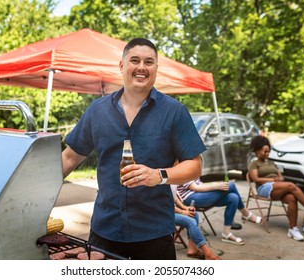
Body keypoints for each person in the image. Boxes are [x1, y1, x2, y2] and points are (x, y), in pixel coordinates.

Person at [61, 38, 206, 260]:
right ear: (122, 66)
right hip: (104, 229)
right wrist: (33, 193)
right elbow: (69, 158)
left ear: (156, 68)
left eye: (149, 62)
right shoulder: (97, 110)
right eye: (134, 60)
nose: (141, 67)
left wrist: (158, 175)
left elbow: (195, 166)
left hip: (154, 233)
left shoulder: (175, 112)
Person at [248, 135, 304, 241]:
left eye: (268, 151)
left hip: (276, 187)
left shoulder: (272, 163)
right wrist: (272, 180)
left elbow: (280, 176)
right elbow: (256, 179)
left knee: (291, 198)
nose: (267, 154)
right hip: (263, 188)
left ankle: (293, 229)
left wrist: (279, 178)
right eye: (264, 152)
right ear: (257, 151)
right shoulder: (254, 163)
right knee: (291, 185)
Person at [176, 178, 263, 246]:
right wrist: (217, 186)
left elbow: (200, 184)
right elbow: (195, 187)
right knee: (231, 185)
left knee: (233, 197)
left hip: (200, 194)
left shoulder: (193, 162)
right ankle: (245, 213)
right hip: (191, 198)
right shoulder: (184, 163)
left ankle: (227, 233)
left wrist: (218, 185)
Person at [171, 185, 221, 260]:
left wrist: (185, 207)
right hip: (163, 213)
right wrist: (182, 212)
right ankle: (208, 254)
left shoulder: (171, 178)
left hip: (171, 209)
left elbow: (174, 197)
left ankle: (192, 249)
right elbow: (164, 203)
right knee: (190, 221)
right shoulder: (161, 179)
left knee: (194, 215)